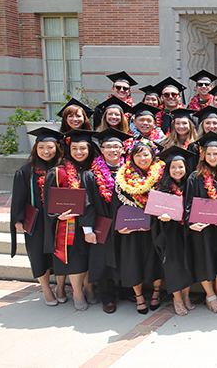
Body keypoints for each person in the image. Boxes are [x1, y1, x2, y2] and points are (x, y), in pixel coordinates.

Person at [184, 132, 217, 314]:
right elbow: (189, 203)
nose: (212, 157)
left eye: (216, 153)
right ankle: (210, 295)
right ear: (203, 156)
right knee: (204, 259)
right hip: (203, 229)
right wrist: (191, 222)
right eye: (208, 154)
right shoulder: (195, 177)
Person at [43, 129, 97, 311]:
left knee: (90, 258)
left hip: (92, 223)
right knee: (76, 259)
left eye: (83, 148)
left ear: (89, 149)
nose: (79, 152)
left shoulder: (94, 170)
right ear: (69, 149)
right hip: (69, 224)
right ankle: (77, 293)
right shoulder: (58, 173)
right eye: (74, 148)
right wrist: (57, 215)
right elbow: (49, 200)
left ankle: (89, 288)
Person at [10, 127, 63, 307]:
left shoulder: (61, 170)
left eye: (50, 147)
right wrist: (18, 219)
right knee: (38, 255)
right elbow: (18, 197)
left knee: (58, 253)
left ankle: (61, 287)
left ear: (57, 148)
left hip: (57, 219)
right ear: (35, 149)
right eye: (41, 147)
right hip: (36, 220)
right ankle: (46, 289)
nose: (46, 151)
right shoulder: (26, 172)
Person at [84, 129, 131, 314]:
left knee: (126, 256)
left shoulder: (129, 171)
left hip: (124, 222)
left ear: (122, 149)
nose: (113, 150)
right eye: (108, 146)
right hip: (101, 223)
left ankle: (127, 290)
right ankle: (107, 297)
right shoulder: (91, 174)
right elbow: (86, 202)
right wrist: (87, 229)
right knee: (103, 260)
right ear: (101, 149)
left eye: (116, 146)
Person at [115, 140, 165, 314]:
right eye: (138, 155)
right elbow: (117, 204)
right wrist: (119, 225)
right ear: (132, 157)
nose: (142, 158)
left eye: (146, 154)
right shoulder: (123, 176)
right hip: (131, 229)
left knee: (155, 260)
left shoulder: (161, 174)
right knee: (132, 262)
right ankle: (139, 297)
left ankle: (156, 293)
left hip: (155, 226)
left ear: (152, 156)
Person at [151, 146, 197, 316]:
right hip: (169, 233)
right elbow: (154, 211)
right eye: (174, 167)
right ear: (167, 169)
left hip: (186, 231)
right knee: (174, 266)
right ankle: (177, 298)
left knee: (188, 264)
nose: (177, 170)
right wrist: (160, 216)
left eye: (181, 167)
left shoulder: (190, 185)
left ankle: (186, 296)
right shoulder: (161, 187)